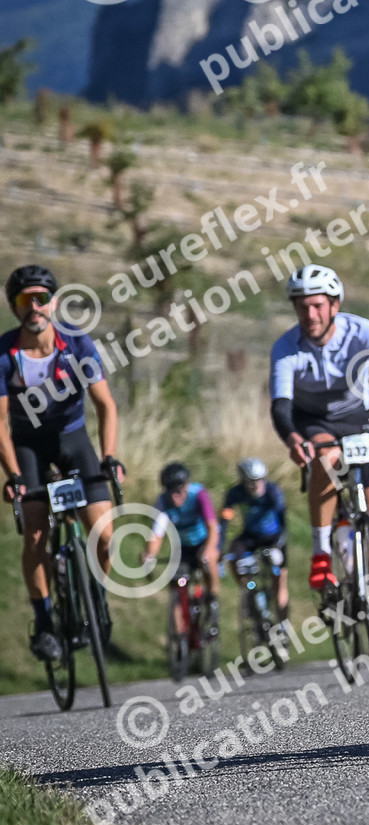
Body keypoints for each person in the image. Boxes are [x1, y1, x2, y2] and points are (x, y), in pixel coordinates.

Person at [268, 263, 369, 654]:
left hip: (357, 421)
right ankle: (322, 553)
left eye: (317, 306)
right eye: (302, 306)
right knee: (327, 456)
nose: (310, 315)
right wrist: (292, 438)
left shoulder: (363, 332)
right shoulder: (286, 347)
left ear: (335, 305)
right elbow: (281, 406)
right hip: (312, 422)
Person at [0, 265, 126, 662]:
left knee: (104, 535)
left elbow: (106, 405)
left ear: (53, 303)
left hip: (73, 439)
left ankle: (97, 600)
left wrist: (109, 457)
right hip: (29, 446)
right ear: (14, 307)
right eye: (25, 300)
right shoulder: (5, 354)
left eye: (41, 298)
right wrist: (13, 475)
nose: (34, 307)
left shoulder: (77, 344)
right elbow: (0, 423)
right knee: (36, 533)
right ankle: (43, 622)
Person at [146, 462, 221, 625]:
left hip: (204, 541)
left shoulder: (199, 494)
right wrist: (150, 555)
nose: (176, 496)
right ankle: (179, 637)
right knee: (177, 585)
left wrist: (209, 550)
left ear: (187, 485)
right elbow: (157, 535)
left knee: (208, 561)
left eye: (180, 490)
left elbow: (213, 527)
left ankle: (212, 597)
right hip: (183, 548)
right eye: (171, 491)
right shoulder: (162, 502)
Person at [219, 457, 289, 623]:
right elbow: (224, 522)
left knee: (279, 580)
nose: (256, 485)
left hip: (274, 538)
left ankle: (283, 625)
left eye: (259, 480)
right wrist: (219, 549)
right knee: (233, 557)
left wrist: (277, 546)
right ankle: (250, 592)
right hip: (250, 536)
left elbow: (283, 523)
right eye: (250, 481)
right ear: (242, 480)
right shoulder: (235, 494)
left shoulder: (273, 492)